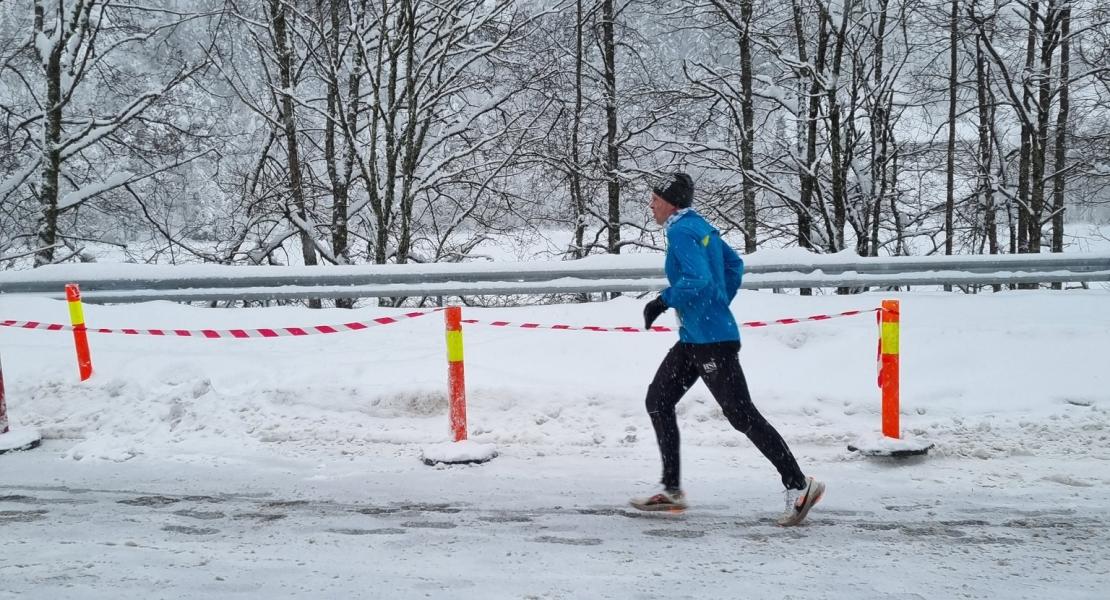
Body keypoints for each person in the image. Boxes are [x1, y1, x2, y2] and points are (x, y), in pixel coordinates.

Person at [629, 172, 825, 527]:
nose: (651, 204)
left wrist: (662, 301)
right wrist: (718, 303)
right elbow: (734, 266)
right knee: (658, 400)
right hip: (696, 339)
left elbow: (698, 279)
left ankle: (799, 484)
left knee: (741, 414)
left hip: (711, 343)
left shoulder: (679, 230)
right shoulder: (700, 226)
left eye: (655, 198)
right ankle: (672, 489)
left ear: (670, 201)